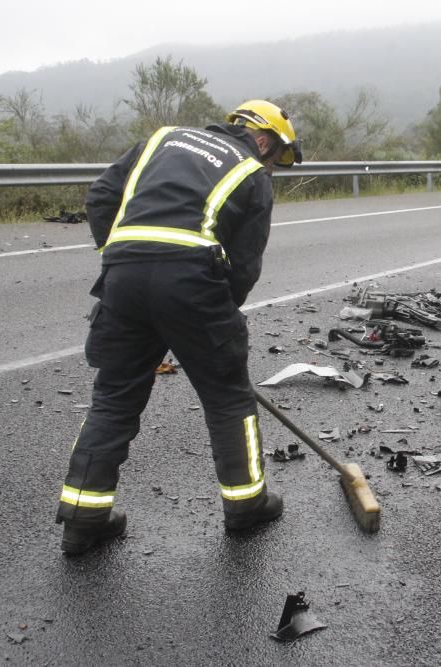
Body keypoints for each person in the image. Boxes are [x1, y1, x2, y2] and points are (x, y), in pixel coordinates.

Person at [55, 99, 302, 555]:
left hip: (123, 275)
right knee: (229, 397)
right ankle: (246, 506)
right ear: (263, 140)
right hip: (193, 280)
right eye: (277, 157)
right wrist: (213, 323)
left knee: (114, 397)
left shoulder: (160, 139)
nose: (273, 167)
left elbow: (101, 198)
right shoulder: (250, 173)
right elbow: (244, 268)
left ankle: (82, 520)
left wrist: (124, 256)